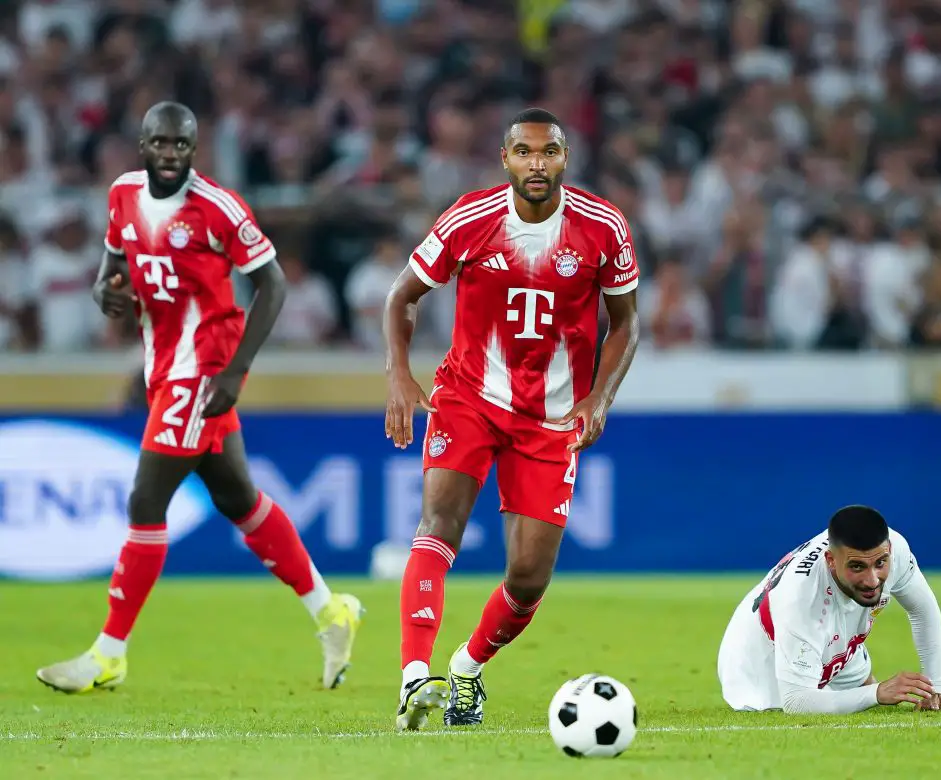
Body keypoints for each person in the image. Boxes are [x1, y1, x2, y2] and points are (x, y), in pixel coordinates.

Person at [35, 102, 363, 694]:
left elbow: (272, 283)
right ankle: (330, 611)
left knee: (146, 500)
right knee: (238, 499)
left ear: (193, 149)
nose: (170, 154)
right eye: (160, 143)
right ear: (143, 145)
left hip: (204, 369)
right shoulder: (123, 194)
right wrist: (106, 290)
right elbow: (114, 262)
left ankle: (108, 653)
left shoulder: (217, 208)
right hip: (163, 366)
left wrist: (236, 372)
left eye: (181, 145)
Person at [383, 108, 640, 730]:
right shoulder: (469, 218)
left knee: (527, 578)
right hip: (469, 397)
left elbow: (626, 323)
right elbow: (402, 296)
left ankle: (467, 667)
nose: (536, 163)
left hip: (551, 419)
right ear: (505, 159)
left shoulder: (603, 227)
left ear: (565, 158)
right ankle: (414, 679)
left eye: (549, 151)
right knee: (438, 522)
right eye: (524, 152)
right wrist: (398, 374)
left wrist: (599, 398)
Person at [717, 505, 941, 714]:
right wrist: (877, 692)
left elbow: (923, 610)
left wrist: (938, 689)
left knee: (872, 705)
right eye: (857, 567)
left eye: (880, 563)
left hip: (836, 636)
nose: (872, 580)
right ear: (831, 560)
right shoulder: (801, 599)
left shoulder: (894, 548)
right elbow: (797, 701)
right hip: (760, 660)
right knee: (853, 699)